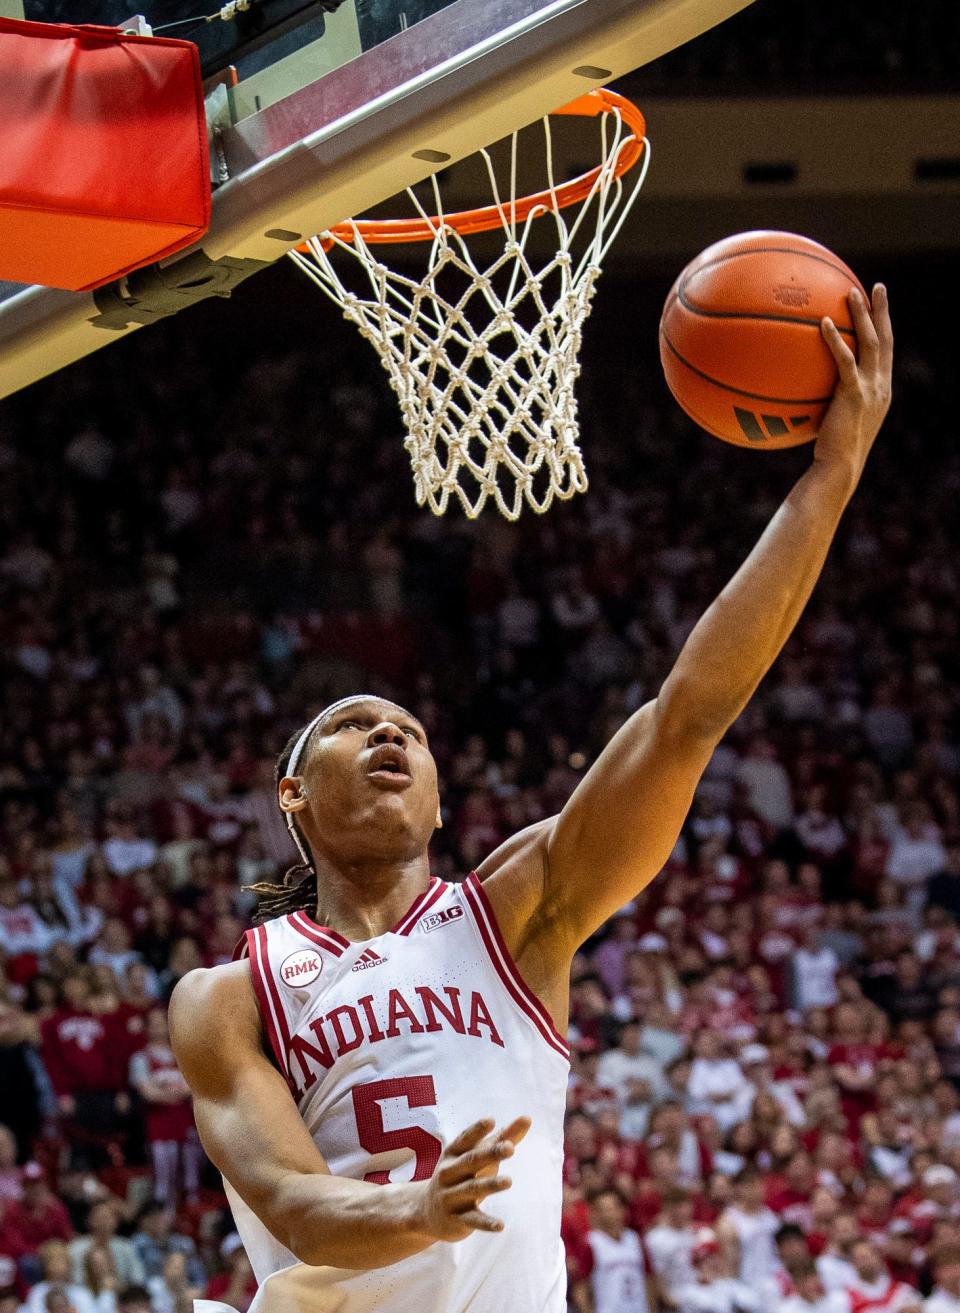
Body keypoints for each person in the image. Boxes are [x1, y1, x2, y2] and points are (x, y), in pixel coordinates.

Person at [169, 286, 893, 1313]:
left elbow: (686, 714)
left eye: (411, 733)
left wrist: (833, 475)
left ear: (438, 806)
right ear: (292, 792)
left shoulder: (518, 909)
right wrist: (423, 1208)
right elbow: (292, 1199)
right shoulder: (228, 993)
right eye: (355, 722)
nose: (389, 734)